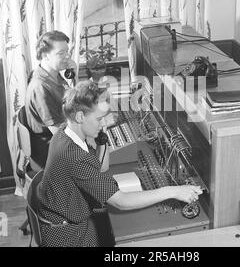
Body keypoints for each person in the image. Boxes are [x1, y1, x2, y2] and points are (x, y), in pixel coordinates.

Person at [37, 80, 202, 247]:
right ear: (80, 117)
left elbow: (102, 167)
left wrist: (102, 136)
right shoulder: (75, 157)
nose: (104, 122)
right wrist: (171, 191)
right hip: (67, 235)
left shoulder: (64, 133)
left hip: (64, 219)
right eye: (99, 118)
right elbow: (120, 201)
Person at [25, 30, 76, 170]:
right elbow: (61, 136)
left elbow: (70, 101)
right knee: (102, 156)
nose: (67, 57)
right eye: (61, 53)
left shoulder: (53, 75)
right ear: (45, 56)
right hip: (52, 151)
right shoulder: (40, 87)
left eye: (67, 51)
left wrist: (73, 76)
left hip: (62, 136)